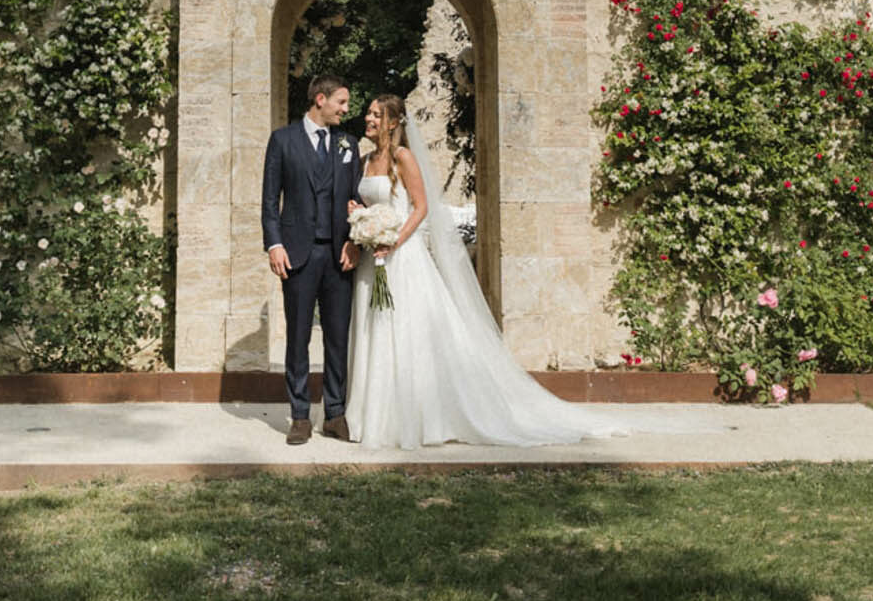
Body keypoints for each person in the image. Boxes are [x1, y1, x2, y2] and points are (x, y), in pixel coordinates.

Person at [346, 94, 626, 449]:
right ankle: (371, 418)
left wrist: (394, 241)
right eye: (368, 113)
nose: (367, 118)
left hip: (402, 258)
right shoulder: (365, 160)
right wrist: (359, 215)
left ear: (392, 122)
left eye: (375, 114)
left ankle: (419, 419)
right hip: (374, 261)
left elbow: (420, 207)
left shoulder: (403, 158)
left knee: (407, 332)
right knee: (375, 331)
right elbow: (370, 203)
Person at [261, 71, 364, 445]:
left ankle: (335, 414)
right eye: (341, 102)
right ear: (320, 100)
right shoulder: (283, 140)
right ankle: (300, 415)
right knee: (298, 336)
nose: (345, 110)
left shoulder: (347, 144)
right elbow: (270, 199)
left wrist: (355, 241)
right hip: (298, 254)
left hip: (339, 255)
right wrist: (274, 244)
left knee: (338, 337)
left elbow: (358, 198)